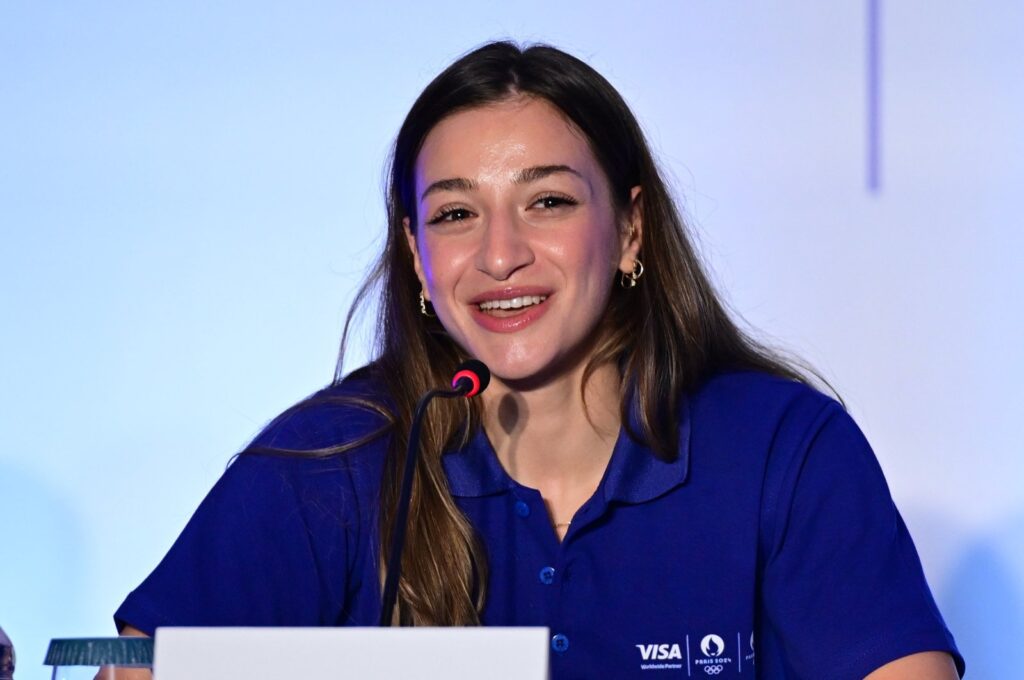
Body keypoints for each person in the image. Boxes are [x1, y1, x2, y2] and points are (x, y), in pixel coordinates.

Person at [114, 42, 964, 678]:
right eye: (454, 215)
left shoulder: (782, 447)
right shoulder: (333, 458)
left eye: (547, 201)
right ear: (415, 255)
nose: (500, 255)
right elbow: (140, 666)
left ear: (631, 229)